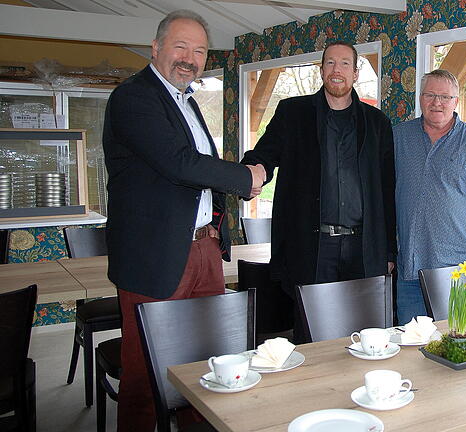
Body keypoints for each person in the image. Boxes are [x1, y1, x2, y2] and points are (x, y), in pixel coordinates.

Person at [102, 10, 262, 432]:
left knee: (205, 366)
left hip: (204, 250)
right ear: (155, 48)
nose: (190, 58)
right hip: (155, 256)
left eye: (199, 50)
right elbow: (179, 163)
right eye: (180, 46)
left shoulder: (187, 101)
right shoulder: (133, 97)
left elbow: (194, 169)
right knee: (144, 372)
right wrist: (245, 177)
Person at [242, 41, 396, 342]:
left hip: (363, 248)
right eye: (329, 63)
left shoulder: (378, 123)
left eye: (344, 64)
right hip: (312, 247)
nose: (336, 70)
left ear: (355, 72)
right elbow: (265, 154)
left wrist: (390, 250)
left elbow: (388, 189)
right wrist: (251, 173)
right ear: (321, 69)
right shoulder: (292, 113)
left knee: (366, 335)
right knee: (311, 336)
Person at [394, 69, 466, 325]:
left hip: (459, 273)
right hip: (409, 272)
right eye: (431, 95)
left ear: (456, 101)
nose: (437, 103)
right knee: (410, 350)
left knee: (459, 348)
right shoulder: (398, 137)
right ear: (421, 98)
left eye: (445, 97)